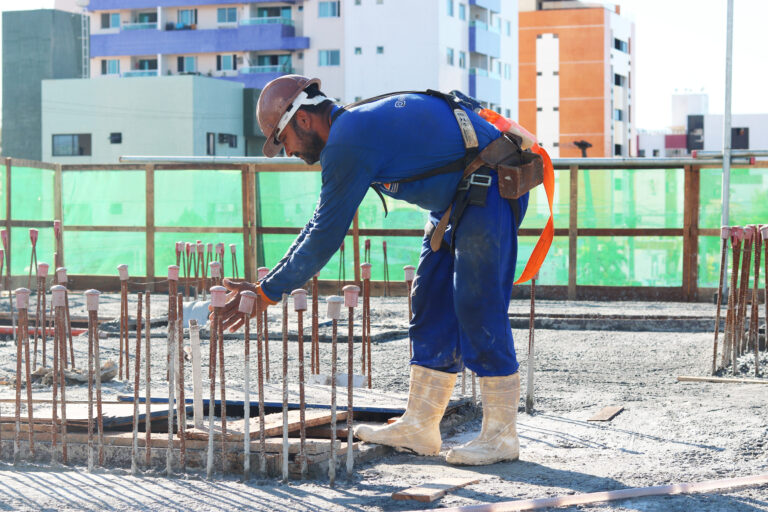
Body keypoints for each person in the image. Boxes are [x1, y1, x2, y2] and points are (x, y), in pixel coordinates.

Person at [220, 74, 532, 465]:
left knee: (476, 304)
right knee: (430, 300)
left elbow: (323, 235)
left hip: (489, 187)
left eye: (283, 140)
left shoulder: (349, 139)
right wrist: (268, 285)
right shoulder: (352, 130)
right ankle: (420, 425)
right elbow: (320, 223)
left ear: (302, 120)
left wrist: (268, 291)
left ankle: (501, 437)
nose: (287, 151)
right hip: (459, 199)